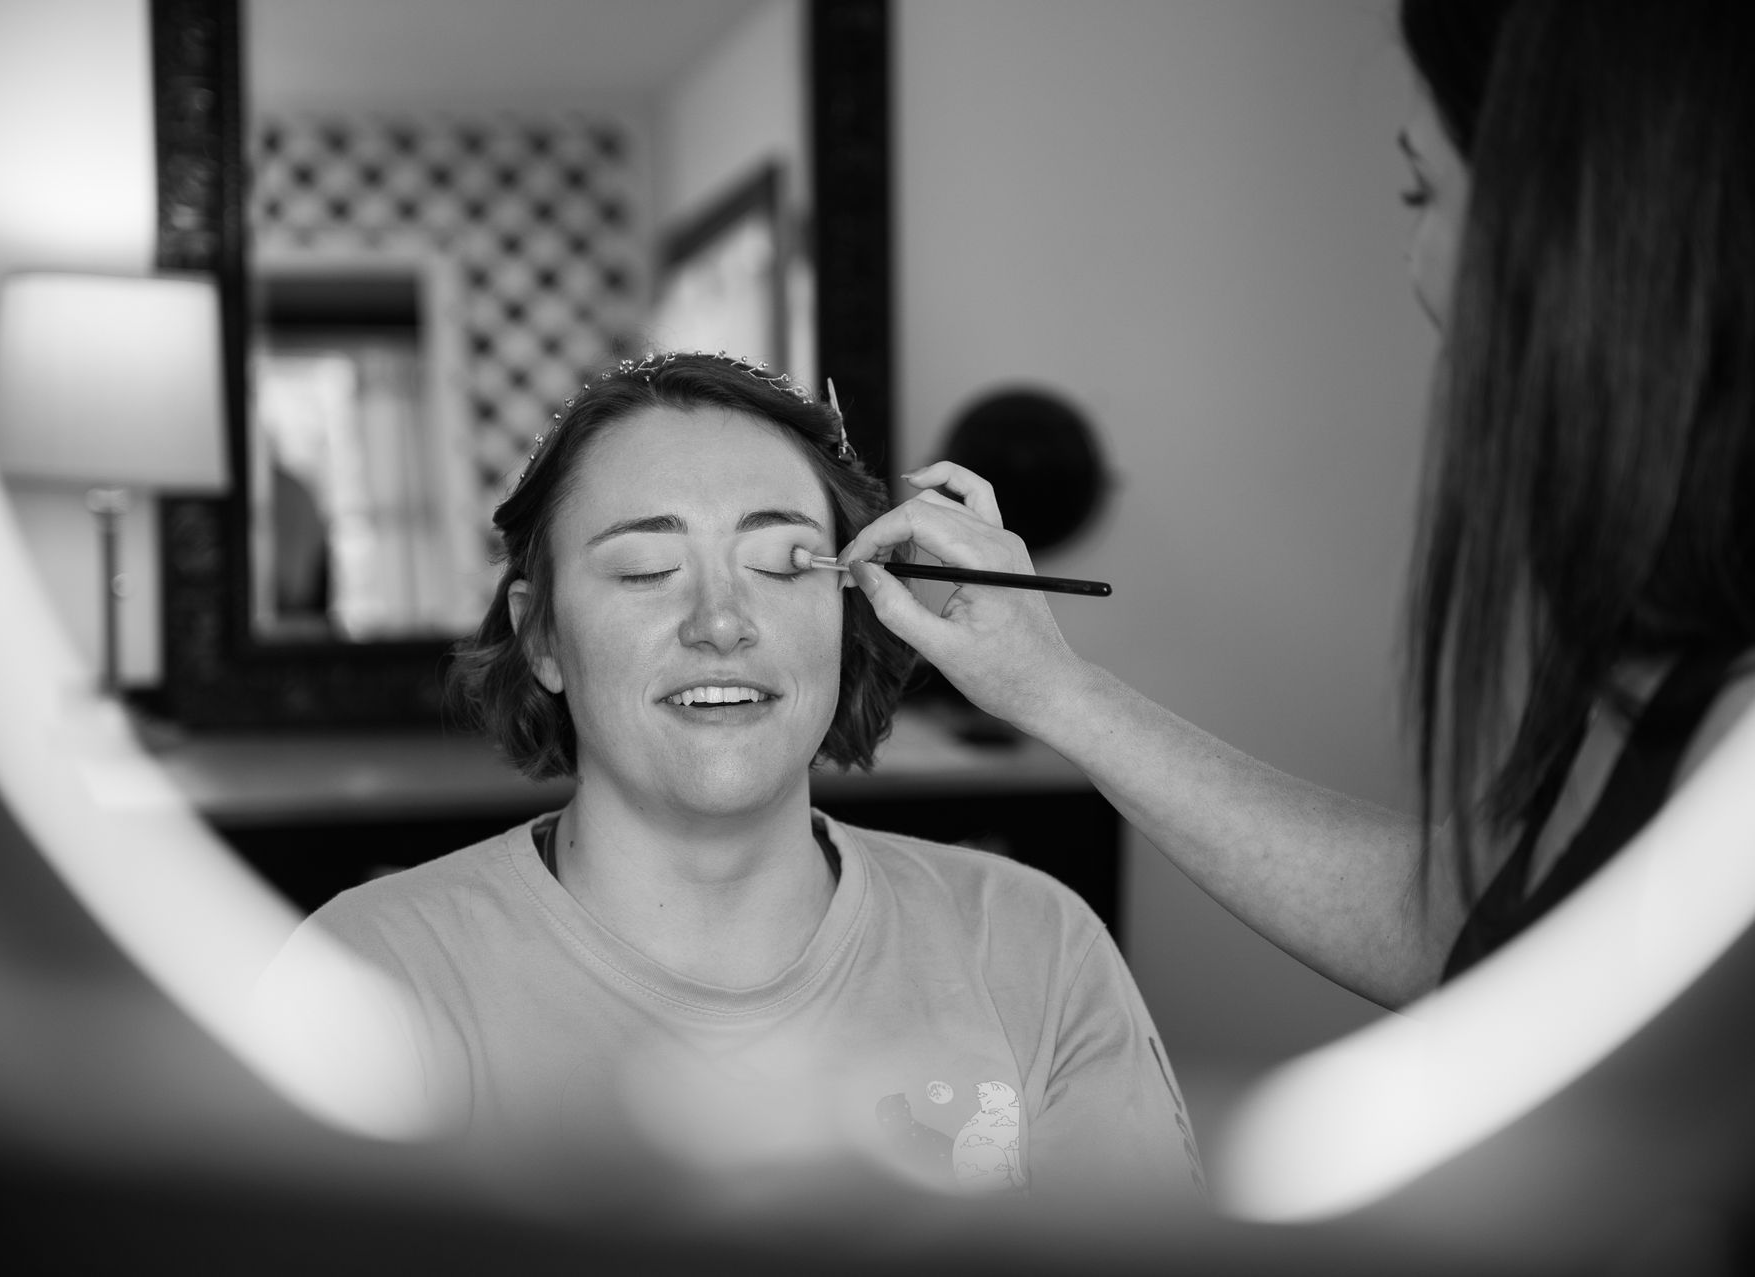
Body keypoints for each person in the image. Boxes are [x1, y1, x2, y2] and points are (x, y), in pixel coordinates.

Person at [838, 0, 1755, 1010]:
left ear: (1584, 227)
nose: (1419, 272)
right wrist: (1055, 688)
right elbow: (1461, 926)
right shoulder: (1662, 638)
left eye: (1420, 190)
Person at [251, 352, 1204, 1202]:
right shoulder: (369, 984)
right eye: (645, 569)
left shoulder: (1036, 946)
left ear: (850, 605)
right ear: (541, 633)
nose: (721, 622)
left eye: (786, 562)